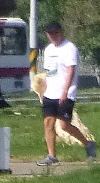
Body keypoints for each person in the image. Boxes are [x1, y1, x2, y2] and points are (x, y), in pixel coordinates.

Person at [38, 20, 96, 165]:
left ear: (61, 32)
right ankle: (51, 156)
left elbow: (71, 71)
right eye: (50, 33)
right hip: (50, 92)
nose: (53, 36)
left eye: (56, 33)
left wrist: (65, 91)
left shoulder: (69, 48)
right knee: (48, 123)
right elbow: (48, 72)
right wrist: (44, 90)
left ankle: (88, 144)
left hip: (66, 92)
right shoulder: (48, 50)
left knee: (64, 125)